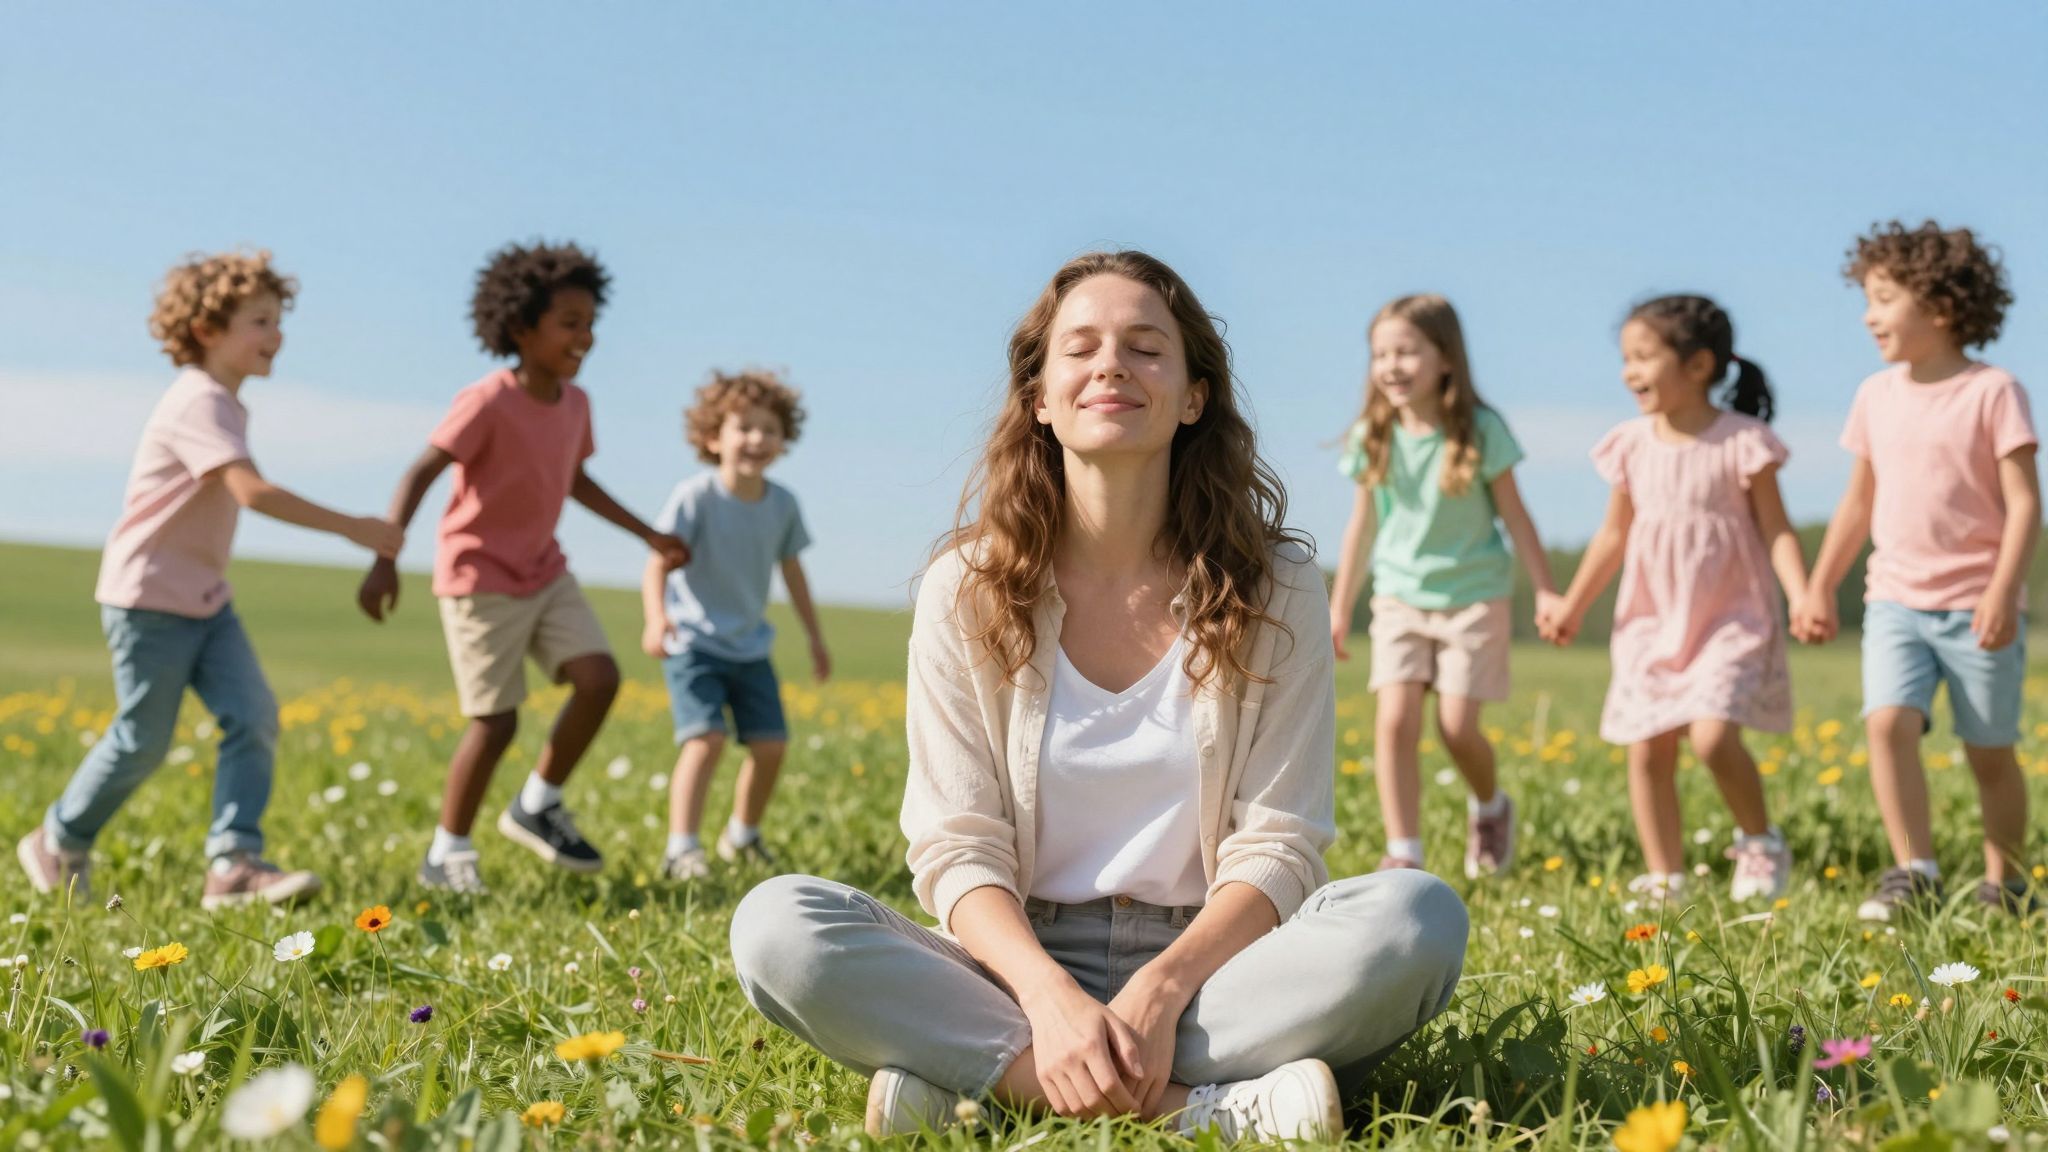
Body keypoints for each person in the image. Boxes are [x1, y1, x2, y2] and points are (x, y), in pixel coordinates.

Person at [727, 251, 1468, 1142]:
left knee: (1416, 918)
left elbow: (1279, 843)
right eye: (1080, 349)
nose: (1111, 365)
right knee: (776, 927)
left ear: (1194, 396)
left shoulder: (1278, 584)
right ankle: (1204, 1113)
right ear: (1039, 396)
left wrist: (1161, 989)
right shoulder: (966, 587)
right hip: (1013, 963)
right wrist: (1047, 996)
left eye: (1146, 348)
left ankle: (980, 1088)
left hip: (1218, 966)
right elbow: (956, 845)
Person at [18, 250, 401, 909]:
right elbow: (250, 491)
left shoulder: (224, 404)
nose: (275, 335)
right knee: (143, 738)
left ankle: (234, 864)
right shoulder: (197, 400)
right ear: (205, 330)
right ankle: (58, 838)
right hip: (148, 599)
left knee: (252, 716)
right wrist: (353, 526)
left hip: (205, 600)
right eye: (259, 320)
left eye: (278, 320)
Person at [356, 241, 688, 894]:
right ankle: (446, 850)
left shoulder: (576, 404)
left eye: (591, 324)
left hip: (544, 570)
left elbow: (575, 481)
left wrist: (650, 534)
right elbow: (422, 470)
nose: (585, 337)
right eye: (569, 323)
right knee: (497, 720)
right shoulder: (487, 400)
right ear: (520, 328)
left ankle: (538, 802)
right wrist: (384, 559)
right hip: (479, 577)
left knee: (598, 678)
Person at [1795, 221, 2039, 921]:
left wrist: (2000, 591)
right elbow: (1856, 503)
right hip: (1896, 598)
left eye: (1882, 298)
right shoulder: (1875, 395)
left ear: (1939, 306)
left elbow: (2025, 505)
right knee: (1886, 724)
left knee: (1989, 753)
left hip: (1977, 606)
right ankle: (1915, 870)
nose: (1869, 316)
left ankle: (2007, 884)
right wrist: (1817, 583)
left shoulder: (1995, 392)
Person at [1540, 295, 1805, 903]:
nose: (1628, 371)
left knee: (1712, 736)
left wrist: (1803, 593)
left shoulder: (1744, 442)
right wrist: (1574, 604)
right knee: (1648, 744)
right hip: (1652, 620)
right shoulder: (1630, 444)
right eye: (1625, 358)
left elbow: (1777, 530)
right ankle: (1666, 876)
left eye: (1642, 357)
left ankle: (1761, 842)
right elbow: (1612, 535)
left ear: (1698, 365)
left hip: (1729, 618)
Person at [1328, 294, 1558, 877]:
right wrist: (1339, 606)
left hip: (1474, 598)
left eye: (1407, 351)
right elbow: (1362, 525)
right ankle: (1404, 850)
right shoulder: (1373, 434)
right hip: (1399, 597)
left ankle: (1490, 805)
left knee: (1457, 728)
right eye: (1380, 354)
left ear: (1446, 359)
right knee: (1395, 719)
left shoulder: (1480, 430)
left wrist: (1547, 590)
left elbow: (1517, 516)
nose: (1391, 366)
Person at [643, 369, 829, 880]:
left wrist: (815, 637)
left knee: (771, 746)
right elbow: (658, 561)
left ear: (783, 439)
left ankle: (741, 835)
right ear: (712, 437)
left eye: (769, 429)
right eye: (743, 427)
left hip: (750, 647)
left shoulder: (782, 504)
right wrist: (656, 618)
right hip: (694, 642)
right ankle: (682, 848)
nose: (757, 438)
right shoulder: (696, 496)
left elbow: (792, 571)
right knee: (706, 741)